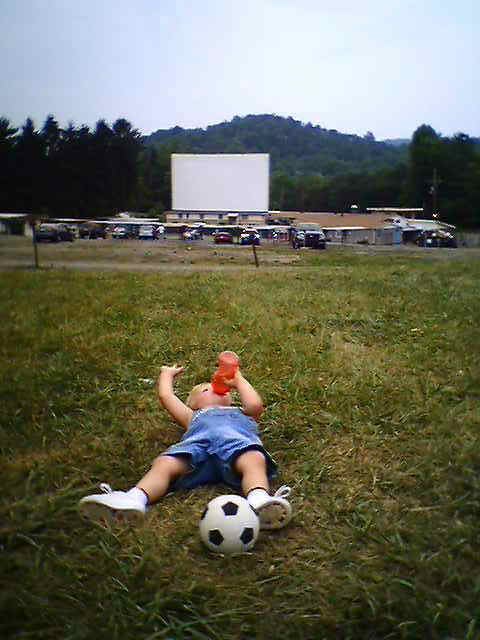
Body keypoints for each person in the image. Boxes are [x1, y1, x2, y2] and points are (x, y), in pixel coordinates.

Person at [79, 362, 292, 530]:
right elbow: (166, 396)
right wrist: (166, 374)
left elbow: (255, 404)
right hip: (196, 451)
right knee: (166, 463)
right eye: (208, 388)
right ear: (194, 403)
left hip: (236, 447)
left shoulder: (242, 412)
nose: (220, 389)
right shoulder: (192, 415)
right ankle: (134, 498)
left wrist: (238, 379)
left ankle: (258, 499)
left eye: (227, 390)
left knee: (254, 458)